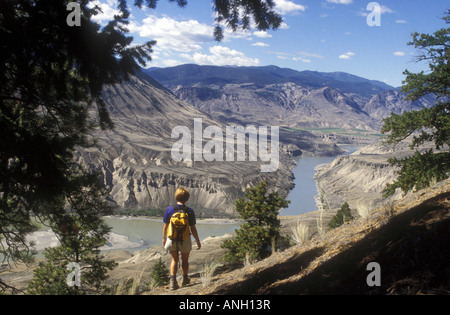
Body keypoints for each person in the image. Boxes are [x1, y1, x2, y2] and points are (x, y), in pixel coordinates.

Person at [162, 187, 201, 290]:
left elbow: (165, 226)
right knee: (185, 260)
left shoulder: (170, 209)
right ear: (187, 198)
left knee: (174, 259)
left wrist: (164, 239)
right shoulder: (189, 211)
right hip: (185, 239)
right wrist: (197, 241)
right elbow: (193, 228)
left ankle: (172, 283)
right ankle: (184, 279)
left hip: (172, 238)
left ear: (176, 197)